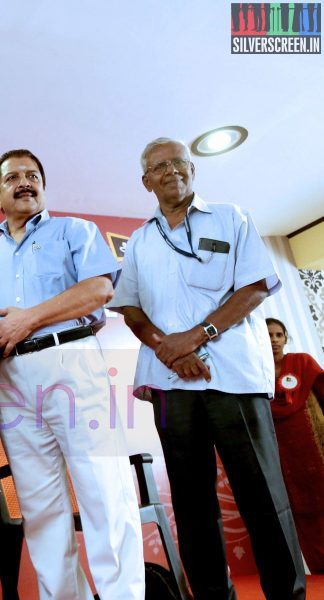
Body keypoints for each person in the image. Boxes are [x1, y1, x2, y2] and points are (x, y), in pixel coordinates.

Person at [108, 137, 306, 599]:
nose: (171, 170)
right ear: (146, 181)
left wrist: (195, 338)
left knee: (263, 497)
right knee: (193, 504)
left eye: (180, 161)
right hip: (170, 384)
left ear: (192, 170)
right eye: (160, 166)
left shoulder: (231, 218)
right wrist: (168, 349)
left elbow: (256, 287)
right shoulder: (138, 241)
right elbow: (131, 309)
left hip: (234, 377)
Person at [0, 149, 144, 600]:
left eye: (33, 175)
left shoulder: (75, 230)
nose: (24, 182)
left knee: (104, 493)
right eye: (13, 178)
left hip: (71, 362)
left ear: (43, 186)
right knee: (40, 507)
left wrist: (28, 319)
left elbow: (99, 289)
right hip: (10, 378)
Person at [266, 317, 324, 573]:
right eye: (268, 335)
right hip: (283, 455)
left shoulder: (302, 362)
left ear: (286, 339)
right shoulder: (255, 371)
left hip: (316, 446)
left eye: (279, 335)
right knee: (301, 508)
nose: (274, 340)